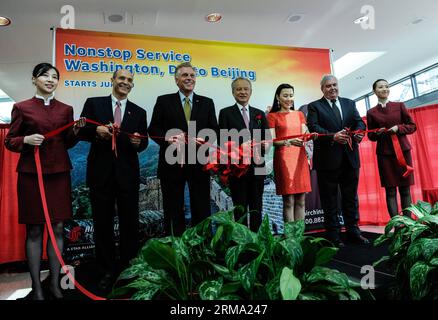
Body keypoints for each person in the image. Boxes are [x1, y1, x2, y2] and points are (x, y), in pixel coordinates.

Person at [4, 62, 85, 300]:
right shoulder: (22, 107)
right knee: (35, 229)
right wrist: (26, 140)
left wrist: (76, 131)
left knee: (58, 227)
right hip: (31, 175)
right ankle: (36, 287)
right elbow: (10, 141)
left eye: (55, 77)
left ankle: (55, 285)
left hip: (59, 174)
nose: (50, 80)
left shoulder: (66, 109)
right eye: (45, 76)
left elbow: (67, 142)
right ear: (34, 79)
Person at [79, 69, 148, 292]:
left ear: (132, 85)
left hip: (128, 176)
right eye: (121, 79)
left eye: (129, 80)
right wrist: (96, 131)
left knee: (130, 223)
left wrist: (140, 144)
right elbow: (82, 131)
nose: (125, 83)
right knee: (102, 223)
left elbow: (144, 141)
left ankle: (129, 267)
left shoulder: (139, 112)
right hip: (101, 174)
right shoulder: (93, 103)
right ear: (112, 80)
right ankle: (106, 270)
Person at [148, 62, 218, 236]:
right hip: (171, 163)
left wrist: (206, 138)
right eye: (185, 75)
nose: (189, 79)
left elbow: (214, 129)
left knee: (201, 207)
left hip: (199, 162)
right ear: (176, 80)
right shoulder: (163, 101)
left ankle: (201, 248)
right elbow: (153, 129)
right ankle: (175, 249)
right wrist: (167, 138)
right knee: (173, 209)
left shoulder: (207, 103)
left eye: (192, 75)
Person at [307, 74, 369, 247]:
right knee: (330, 199)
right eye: (328, 86)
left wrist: (358, 133)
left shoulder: (350, 103)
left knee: (350, 198)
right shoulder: (314, 106)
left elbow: (359, 123)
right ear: (322, 89)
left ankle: (353, 231)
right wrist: (333, 137)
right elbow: (314, 128)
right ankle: (333, 235)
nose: (332, 88)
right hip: (328, 160)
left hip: (350, 158)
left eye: (334, 85)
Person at [218, 77, 268, 231]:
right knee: (240, 210)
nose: (242, 92)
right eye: (238, 89)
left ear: (251, 91)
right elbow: (222, 141)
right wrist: (240, 147)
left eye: (246, 88)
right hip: (237, 169)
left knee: (257, 208)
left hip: (258, 167)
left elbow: (266, 138)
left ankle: (257, 243)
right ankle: (241, 244)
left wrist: (266, 144)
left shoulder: (259, 114)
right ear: (233, 92)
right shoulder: (225, 113)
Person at [367, 79, 416, 217]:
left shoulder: (399, 106)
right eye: (381, 87)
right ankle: (397, 227)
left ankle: (408, 225)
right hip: (385, 155)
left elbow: (412, 126)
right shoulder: (371, 112)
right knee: (390, 191)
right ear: (375, 91)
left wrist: (398, 128)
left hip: (403, 152)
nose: (384, 89)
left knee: (405, 189)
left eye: (387, 86)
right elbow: (371, 136)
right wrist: (377, 133)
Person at [267, 84, 314, 223]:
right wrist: (290, 141)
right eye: (285, 95)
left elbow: (305, 134)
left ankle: (298, 237)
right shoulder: (272, 116)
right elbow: (272, 141)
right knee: (289, 201)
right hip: (284, 159)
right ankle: (290, 239)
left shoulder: (299, 114)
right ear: (278, 97)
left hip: (300, 158)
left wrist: (311, 136)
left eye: (291, 95)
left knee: (301, 200)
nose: (289, 99)